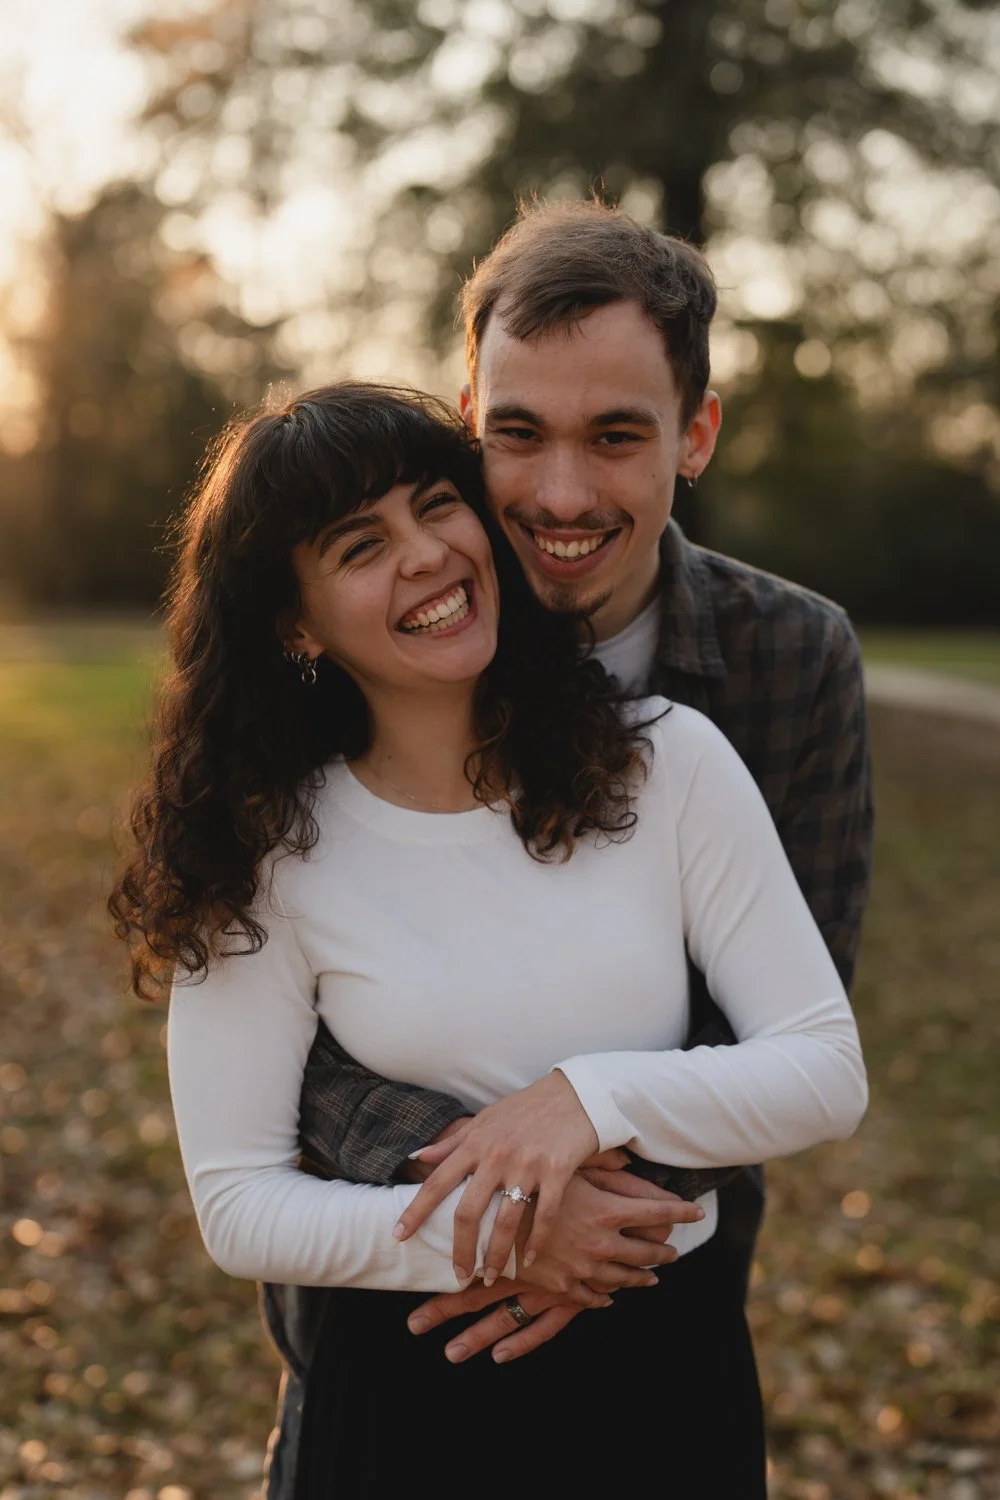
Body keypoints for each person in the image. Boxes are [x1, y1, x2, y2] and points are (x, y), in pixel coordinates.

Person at [111, 383, 866, 1498]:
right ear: (295, 621)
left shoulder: (669, 765)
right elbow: (238, 1204)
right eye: (361, 544)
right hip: (406, 1393)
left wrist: (587, 1099)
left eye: (436, 506)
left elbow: (822, 1072)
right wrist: (502, 1236)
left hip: (665, 1382)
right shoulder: (270, 851)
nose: (426, 555)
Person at [269, 199, 875, 1492]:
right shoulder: (358, 638)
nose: (559, 494)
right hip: (395, 1301)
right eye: (517, 434)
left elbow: (784, 1007)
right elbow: (280, 1019)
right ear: (467, 418)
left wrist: (586, 1175)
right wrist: (492, 1210)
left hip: (654, 1289)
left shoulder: (789, 663)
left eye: (616, 438)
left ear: (694, 435)